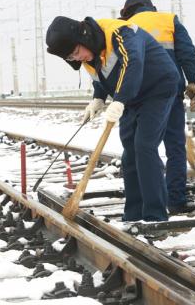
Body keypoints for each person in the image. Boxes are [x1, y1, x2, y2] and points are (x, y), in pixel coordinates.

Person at [46, 16, 179, 222]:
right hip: (133, 95)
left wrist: (119, 100)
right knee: (129, 152)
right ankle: (133, 215)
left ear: (84, 37)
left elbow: (133, 62)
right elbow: (102, 76)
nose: (77, 58)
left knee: (144, 146)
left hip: (158, 87)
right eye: (71, 58)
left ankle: (155, 216)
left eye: (76, 52)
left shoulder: (120, 33)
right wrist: (98, 99)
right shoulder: (88, 55)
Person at [120, 0, 195, 214]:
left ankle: (146, 202)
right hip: (170, 91)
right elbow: (187, 52)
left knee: (143, 149)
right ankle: (175, 200)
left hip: (138, 97)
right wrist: (193, 80)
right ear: (151, 7)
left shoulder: (125, 26)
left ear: (128, 11)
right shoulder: (168, 20)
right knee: (175, 146)